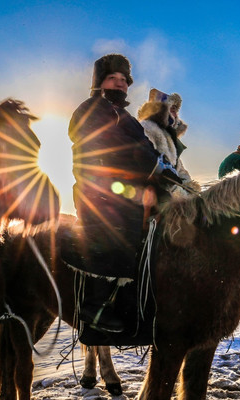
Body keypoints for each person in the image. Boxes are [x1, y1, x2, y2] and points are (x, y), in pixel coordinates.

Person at [68, 54, 181, 332]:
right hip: (98, 190)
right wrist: (154, 165)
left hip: (124, 188)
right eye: (112, 78)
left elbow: (144, 147)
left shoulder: (124, 116)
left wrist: (165, 168)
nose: (119, 84)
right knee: (115, 228)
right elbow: (115, 144)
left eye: (123, 80)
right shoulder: (92, 109)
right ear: (98, 82)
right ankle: (95, 307)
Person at [137, 88, 200, 197]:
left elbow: (180, 171)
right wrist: (181, 195)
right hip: (154, 197)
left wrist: (190, 190)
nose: (175, 115)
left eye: (176, 111)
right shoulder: (147, 128)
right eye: (172, 109)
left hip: (173, 195)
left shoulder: (168, 136)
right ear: (160, 109)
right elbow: (149, 164)